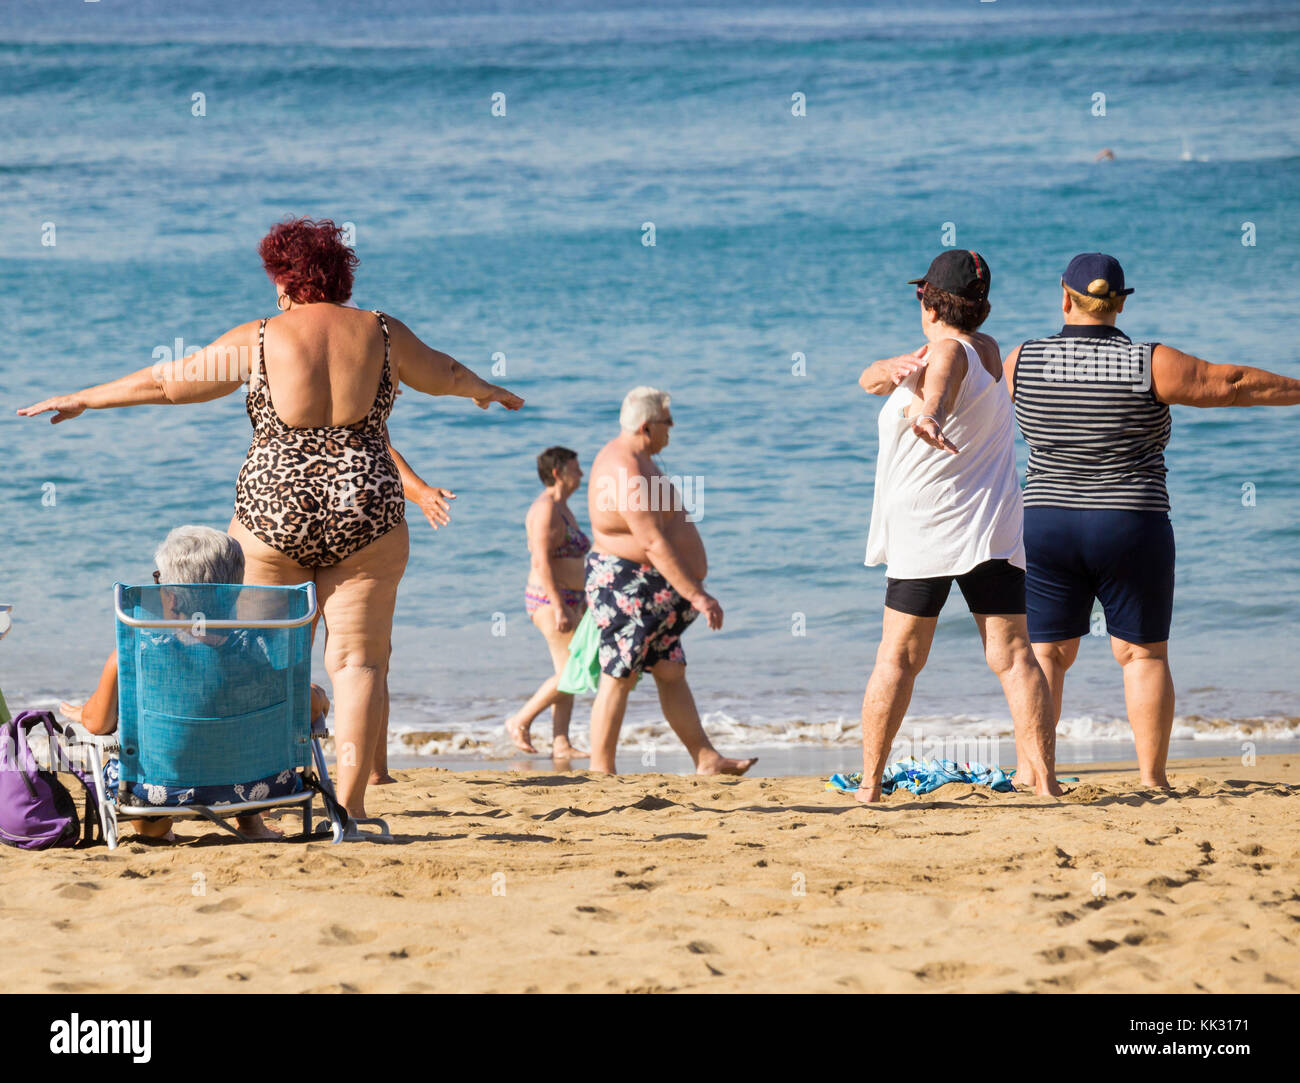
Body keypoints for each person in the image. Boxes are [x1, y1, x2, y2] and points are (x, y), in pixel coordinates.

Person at [20, 217, 524, 818]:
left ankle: (258, 795)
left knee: (258, 653)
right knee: (359, 662)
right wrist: (482, 389)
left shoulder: (259, 338)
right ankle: (354, 810)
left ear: (283, 280)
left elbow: (167, 384)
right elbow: (443, 372)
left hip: (273, 515)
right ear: (340, 276)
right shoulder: (383, 333)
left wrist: (84, 397)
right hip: (367, 511)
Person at [1007, 252, 1300, 790]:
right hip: (1129, 522)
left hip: (1046, 522)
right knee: (1142, 654)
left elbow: (967, 399)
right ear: (1119, 303)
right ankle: (1152, 779)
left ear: (1065, 297)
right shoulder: (1148, 361)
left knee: (1046, 652)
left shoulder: (1020, 360)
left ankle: (1035, 773)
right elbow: (1231, 383)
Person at [857, 250, 1062, 803]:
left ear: (927, 300)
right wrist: (890, 370)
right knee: (1014, 654)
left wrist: (926, 413)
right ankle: (1044, 780)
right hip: (990, 525)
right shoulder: (988, 349)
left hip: (931, 529)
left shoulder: (946, 353)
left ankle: (871, 785)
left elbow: (940, 387)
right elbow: (869, 380)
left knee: (898, 658)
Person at [59, 525, 330, 841]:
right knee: (241, 731)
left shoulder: (136, 654)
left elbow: (99, 724)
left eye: (159, 579)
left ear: (170, 597)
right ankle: (250, 823)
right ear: (236, 592)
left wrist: (82, 714)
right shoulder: (260, 649)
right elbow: (304, 709)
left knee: (137, 773)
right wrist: (318, 699)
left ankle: (157, 832)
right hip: (262, 789)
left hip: (159, 793)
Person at [584, 386, 755, 776]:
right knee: (620, 673)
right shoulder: (624, 467)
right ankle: (600, 769)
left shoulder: (640, 458)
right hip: (626, 585)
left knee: (669, 670)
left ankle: (706, 758)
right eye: (668, 423)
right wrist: (697, 595)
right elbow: (651, 540)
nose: (672, 430)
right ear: (646, 427)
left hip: (654, 590)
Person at [505, 446, 590, 761]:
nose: (582, 474)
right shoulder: (545, 509)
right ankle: (520, 720)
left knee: (566, 670)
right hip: (549, 599)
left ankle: (561, 743)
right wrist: (559, 606)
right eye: (576, 468)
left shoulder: (563, 507)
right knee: (574, 671)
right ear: (558, 472)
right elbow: (540, 561)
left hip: (571, 598)